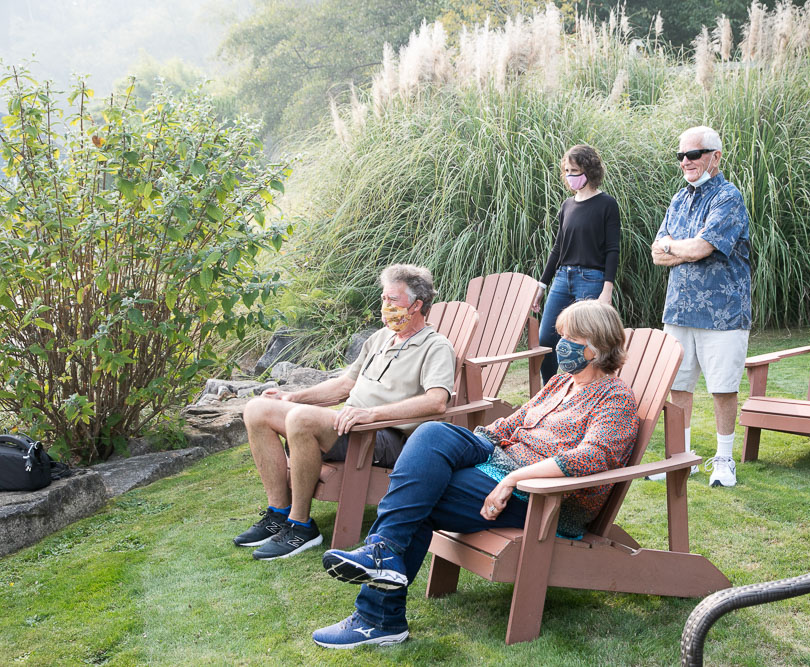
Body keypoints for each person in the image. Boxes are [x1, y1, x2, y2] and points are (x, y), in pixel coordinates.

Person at [309, 300, 638, 649]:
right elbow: (513, 422)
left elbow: (594, 456)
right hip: (499, 462)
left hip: (542, 497)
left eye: (571, 337)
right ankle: (382, 555)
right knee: (432, 434)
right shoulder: (561, 382)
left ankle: (377, 615)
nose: (561, 344)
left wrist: (513, 479)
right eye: (561, 335)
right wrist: (467, 446)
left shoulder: (615, 398)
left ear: (598, 345)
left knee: (423, 493)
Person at [234, 264, 456, 560]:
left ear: (417, 305)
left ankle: (301, 527)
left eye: (393, 300)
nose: (385, 306)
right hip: (350, 424)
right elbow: (344, 385)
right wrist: (294, 395)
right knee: (257, 409)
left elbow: (437, 401)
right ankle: (278, 513)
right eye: (383, 299)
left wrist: (372, 416)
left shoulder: (435, 345)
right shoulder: (380, 339)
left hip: (382, 437)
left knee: (300, 418)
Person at [649, 125, 751, 488]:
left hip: (723, 312)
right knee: (679, 386)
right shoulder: (679, 199)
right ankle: (682, 458)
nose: (686, 162)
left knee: (723, 388)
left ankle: (724, 461)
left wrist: (677, 246)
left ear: (715, 157)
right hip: (678, 310)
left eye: (694, 154)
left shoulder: (728, 197)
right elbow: (655, 253)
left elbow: (702, 247)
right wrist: (680, 248)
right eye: (681, 156)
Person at [533, 144, 622, 384]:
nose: (570, 175)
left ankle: (593, 392)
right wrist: (542, 285)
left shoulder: (607, 205)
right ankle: (549, 392)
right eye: (567, 170)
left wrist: (607, 290)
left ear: (589, 170)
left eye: (575, 170)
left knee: (591, 344)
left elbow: (613, 250)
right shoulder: (567, 206)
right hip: (563, 278)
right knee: (545, 340)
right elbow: (558, 248)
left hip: (591, 280)